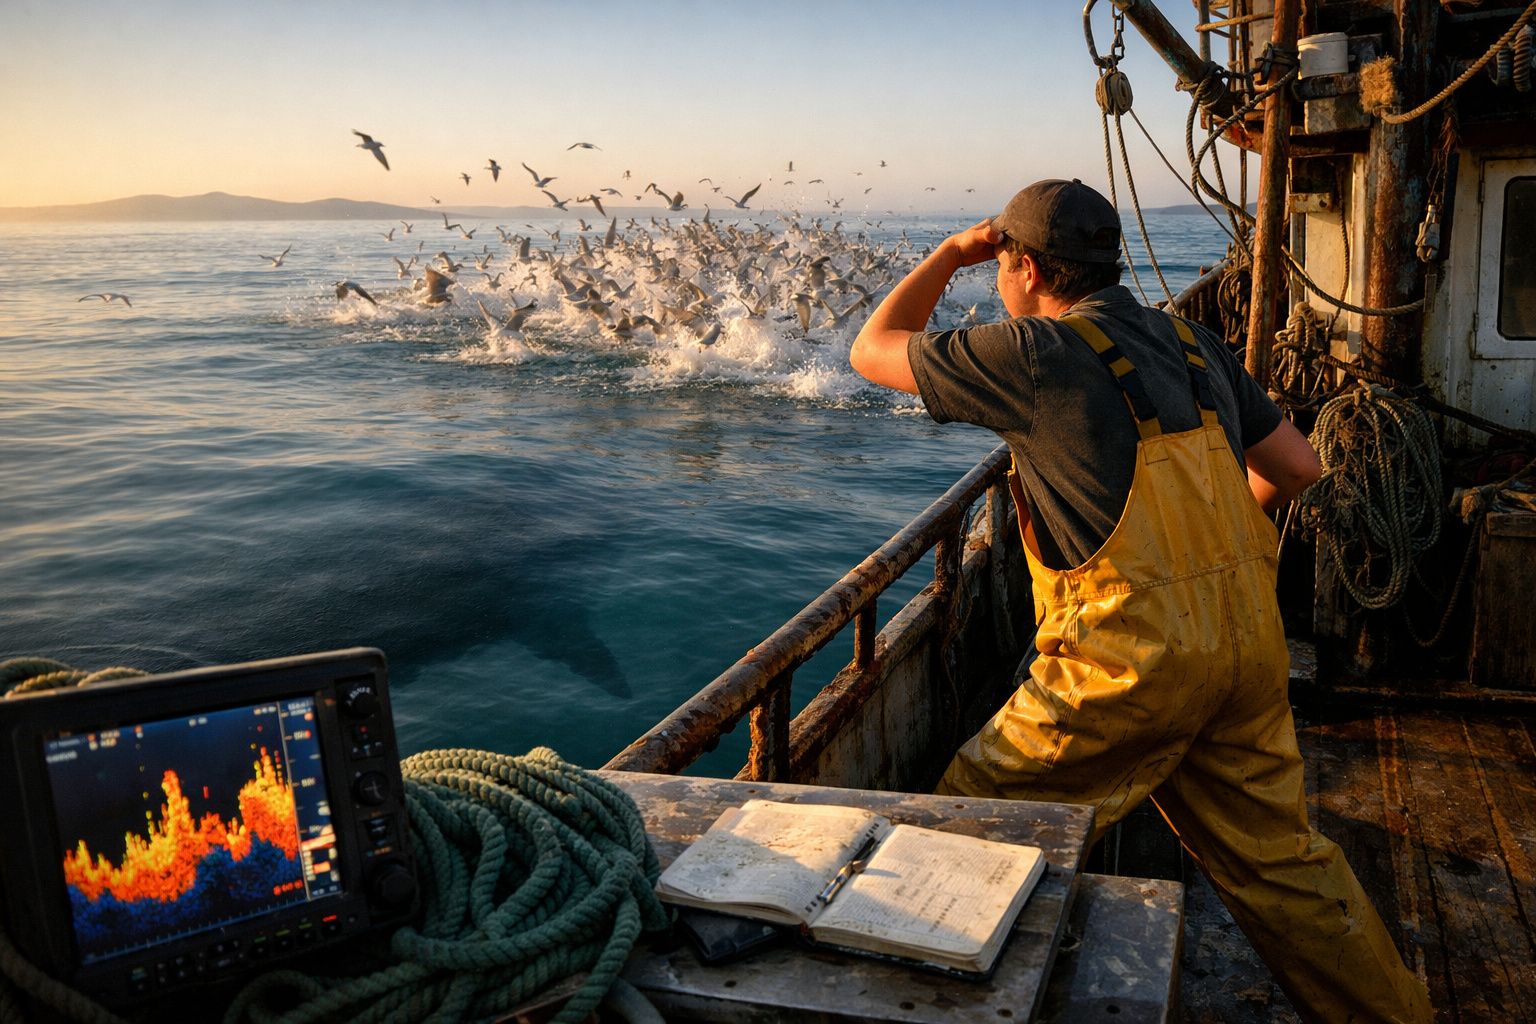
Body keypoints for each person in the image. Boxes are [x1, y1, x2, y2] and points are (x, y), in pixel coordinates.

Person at [849, 179, 1431, 1023]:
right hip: (1244, 649)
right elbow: (1296, 468)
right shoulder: (1194, 342)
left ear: (1026, 267)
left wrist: (947, 254)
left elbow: (873, 348)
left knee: (968, 820)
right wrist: (1202, 550)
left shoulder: (1033, 354)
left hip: (1127, 672)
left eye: (1001, 265)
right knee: (1286, 869)